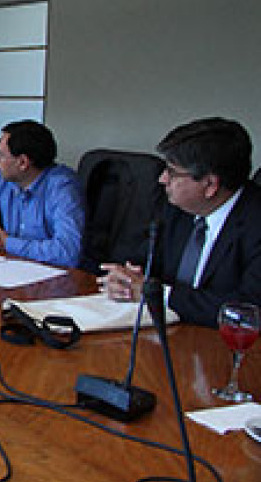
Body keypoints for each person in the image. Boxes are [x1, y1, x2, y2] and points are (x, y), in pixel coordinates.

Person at [100, 117, 261, 327]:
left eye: (172, 172)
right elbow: (143, 261)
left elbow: (247, 311)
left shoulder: (254, 223)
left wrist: (159, 294)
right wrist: (124, 279)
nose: (162, 179)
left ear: (210, 185)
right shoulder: (178, 208)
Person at [0, 120, 85, 268]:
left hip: (52, 274)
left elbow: (68, 253)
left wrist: (7, 243)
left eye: (1, 154)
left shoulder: (62, 187)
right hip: (12, 267)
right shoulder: (2, 180)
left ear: (23, 163)